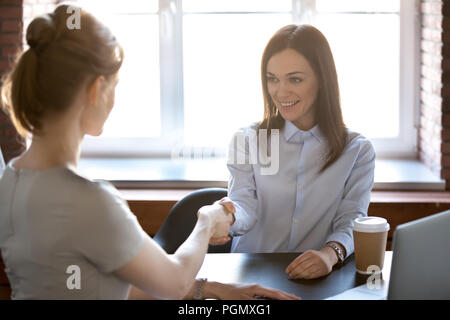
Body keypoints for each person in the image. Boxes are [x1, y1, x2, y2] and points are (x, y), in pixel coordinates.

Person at [0, 5, 299, 300]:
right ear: (96, 89)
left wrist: (206, 289)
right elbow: (173, 283)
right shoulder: (89, 201)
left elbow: (85, 285)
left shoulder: (10, 181)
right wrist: (205, 222)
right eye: (114, 86)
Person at [222, 24, 376, 280]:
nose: (281, 92)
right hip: (251, 277)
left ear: (322, 80)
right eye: (272, 79)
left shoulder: (357, 151)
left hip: (319, 278)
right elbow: (244, 205)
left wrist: (329, 254)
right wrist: (226, 216)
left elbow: (352, 218)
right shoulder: (246, 139)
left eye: (295, 79)